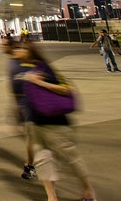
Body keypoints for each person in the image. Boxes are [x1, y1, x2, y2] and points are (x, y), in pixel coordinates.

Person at [16, 41, 96, 201]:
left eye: (22, 48)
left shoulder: (45, 67)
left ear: (30, 51)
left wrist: (39, 82)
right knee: (43, 161)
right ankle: (52, 197)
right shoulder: (27, 69)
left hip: (55, 123)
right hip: (36, 123)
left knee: (71, 159)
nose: (19, 51)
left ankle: (89, 191)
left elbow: (66, 90)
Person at [5, 38, 37, 180]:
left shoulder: (33, 65)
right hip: (24, 106)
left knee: (34, 138)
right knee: (31, 138)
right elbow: (14, 86)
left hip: (35, 107)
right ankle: (31, 164)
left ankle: (31, 165)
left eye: (22, 49)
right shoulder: (13, 63)